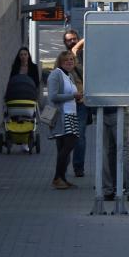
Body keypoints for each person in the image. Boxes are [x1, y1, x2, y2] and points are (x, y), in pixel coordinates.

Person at [46, 50, 83, 190]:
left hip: (71, 115)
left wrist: (77, 96)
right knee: (67, 146)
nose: (69, 62)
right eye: (66, 60)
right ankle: (57, 178)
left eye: (72, 59)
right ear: (60, 62)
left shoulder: (70, 75)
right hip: (62, 116)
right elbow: (53, 96)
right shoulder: (56, 74)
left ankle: (61, 178)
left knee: (65, 148)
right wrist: (73, 96)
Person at [62, 30, 88, 177]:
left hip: (80, 103)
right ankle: (63, 169)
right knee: (66, 137)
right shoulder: (63, 58)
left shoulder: (86, 55)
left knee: (80, 136)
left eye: (74, 39)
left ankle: (78, 167)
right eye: (68, 40)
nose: (71, 41)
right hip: (65, 104)